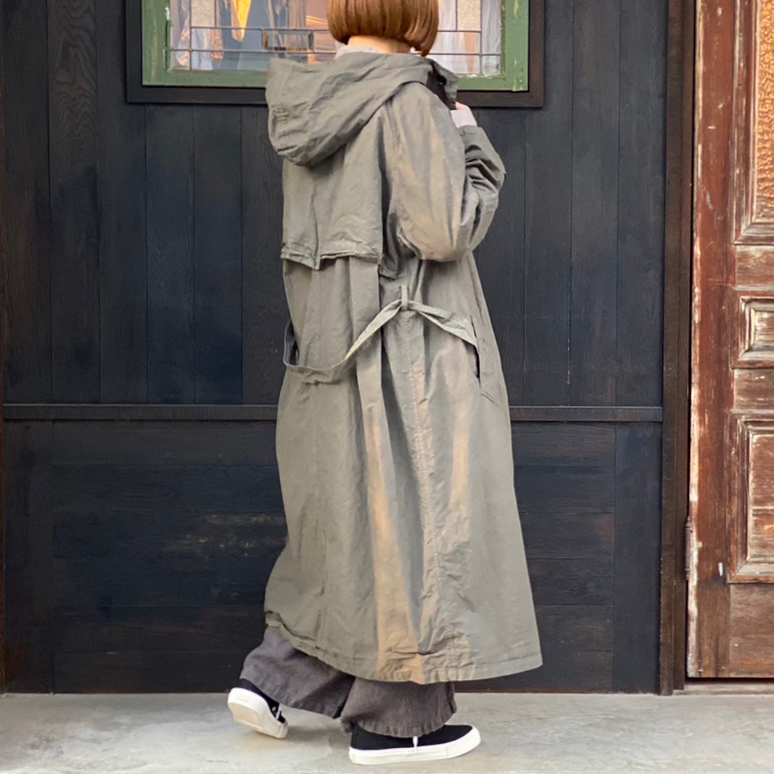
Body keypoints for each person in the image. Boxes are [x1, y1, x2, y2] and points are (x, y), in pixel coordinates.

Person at [227, 0, 542, 765]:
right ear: (415, 16)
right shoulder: (408, 100)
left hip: (330, 349)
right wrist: (473, 147)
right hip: (408, 358)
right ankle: (396, 722)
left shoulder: (312, 100)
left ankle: (273, 679)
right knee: (416, 531)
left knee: (344, 532)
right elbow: (442, 231)